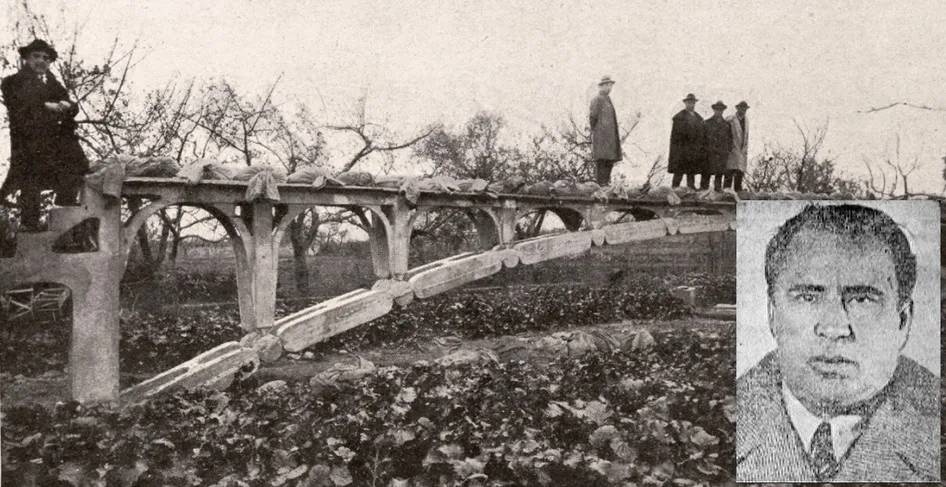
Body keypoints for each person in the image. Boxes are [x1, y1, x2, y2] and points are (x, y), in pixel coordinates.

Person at [737, 204, 939, 483]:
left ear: (902, 321)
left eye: (862, 299)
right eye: (808, 297)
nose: (834, 328)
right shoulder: (718, 418)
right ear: (772, 315)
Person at [1, 39, 88, 232]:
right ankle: (29, 231)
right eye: (36, 56)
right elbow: (21, 107)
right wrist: (48, 106)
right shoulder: (12, 82)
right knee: (30, 187)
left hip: (57, 149)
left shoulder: (52, 82)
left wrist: (66, 106)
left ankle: (63, 230)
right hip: (30, 148)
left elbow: (72, 106)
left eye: (46, 58)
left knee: (74, 174)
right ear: (26, 58)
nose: (41, 61)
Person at [588, 76, 622, 186]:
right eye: (608, 85)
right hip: (601, 136)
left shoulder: (608, 100)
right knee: (601, 161)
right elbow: (593, 117)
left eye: (611, 85)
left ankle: (606, 183)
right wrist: (597, 131)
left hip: (610, 137)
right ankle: (600, 184)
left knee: (610, 160)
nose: (610, 88)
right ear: (601, 86)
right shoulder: (596, 99)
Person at [668, 93, 704, 189]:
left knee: (691, 172)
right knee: (679, 171)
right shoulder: (679, 117)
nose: (691, 105)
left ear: (694, 104)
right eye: (689, 102)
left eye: (692, 103)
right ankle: (675, 188)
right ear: (685, 103)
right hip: (682, 150)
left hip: (693, 150)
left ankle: (691, 188)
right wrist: (678, 150)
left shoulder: (698, 118)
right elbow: (675, 137)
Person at [701, 101, 730, 191]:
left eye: (721, 110)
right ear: (714, 110)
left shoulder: (727, 125)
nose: (719, 111)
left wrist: (727, 150)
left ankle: (718, 190)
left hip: (721, 154)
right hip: (709, 153)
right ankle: (703, 190)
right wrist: (704, 150)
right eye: (717, 109)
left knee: (719, 174)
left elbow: (730, 139)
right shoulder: (706, 123)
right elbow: (702, 139)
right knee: (706, 174)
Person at [724, 100, 749, 191]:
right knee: (730, 171)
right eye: (742, 108)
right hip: (732, 149)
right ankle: (727, 191)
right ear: (737, 108)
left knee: (739, 172)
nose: (743, 110)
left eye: (745, 108)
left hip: (742, 150)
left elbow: (746, 136)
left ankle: (738, 190)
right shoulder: (730, 119)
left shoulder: (746, 121)